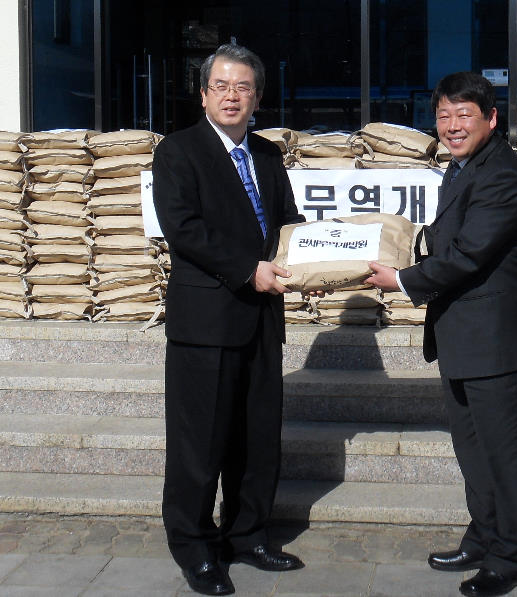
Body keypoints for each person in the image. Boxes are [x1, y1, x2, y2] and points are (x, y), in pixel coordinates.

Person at [366, 72, 517, 597]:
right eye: (443, 115)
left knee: (505, 455)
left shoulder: (503, 176)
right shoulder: (462, 168)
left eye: (464, 114)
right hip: (464, 339)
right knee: (474, 452)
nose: (452, 126)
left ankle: (513, 557)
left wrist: (402, 279)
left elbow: (469, 254)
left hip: (499, 345)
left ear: (491, 118)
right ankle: (484, 536)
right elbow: (446, 239)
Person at [152, 43, 305, 596]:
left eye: (243, 87)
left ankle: (249, 535)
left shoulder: (266, 154)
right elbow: (184, 228)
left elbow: (286, 221)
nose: (232, 96)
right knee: (200, 442)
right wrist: (247, 270)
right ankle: (195, 547)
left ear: (257, 98)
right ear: (203, 94)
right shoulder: (179, 152)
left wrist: (312, 258)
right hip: (207, 321)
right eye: (221, 86)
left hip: (262, 318)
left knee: (257, 437)